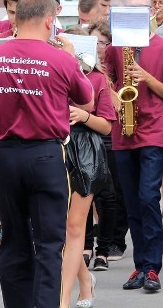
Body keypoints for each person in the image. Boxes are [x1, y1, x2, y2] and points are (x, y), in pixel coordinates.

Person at [0, 0, 94, 308]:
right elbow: (87, 100)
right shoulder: (61, 58)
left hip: (3, 157)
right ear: (50, 20)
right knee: (49, 243)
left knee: (13, 240)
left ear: (16, 17)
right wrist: (72, 57)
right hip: (46, 157)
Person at [105, 0, 163, 292]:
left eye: (141, 9)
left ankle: (153, 267)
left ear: (153, 12)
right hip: (124, 130)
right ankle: (139, 266)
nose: (135, 15)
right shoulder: (113, 48)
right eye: (129, 10)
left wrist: (147, 79)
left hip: (154, 129)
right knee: (133, 201)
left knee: (149, 197)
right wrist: (114, 97)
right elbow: (106, 82)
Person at [59, 28, 116, 308]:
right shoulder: (50, 72)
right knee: (58, 228)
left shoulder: (96, 78)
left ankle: (62, 299)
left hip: (84, 152)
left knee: (73, 225)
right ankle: (85, 281)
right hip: (54, 148)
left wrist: (83, 115)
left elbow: (106, 125)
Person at [85, 19, 127, 271]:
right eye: (94, 42)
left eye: (103, 42)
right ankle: (87, 245)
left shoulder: (110, 69)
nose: (99, 47)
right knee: (84, 196)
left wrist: (105, 83)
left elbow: (119, 106)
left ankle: (107, 245)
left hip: (109, 136)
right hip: (82, 136)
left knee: (108, 195)